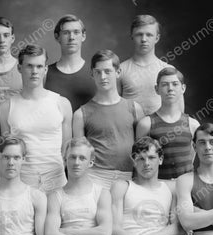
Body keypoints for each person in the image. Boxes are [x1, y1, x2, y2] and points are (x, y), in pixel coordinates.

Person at [136, 66, 200, 235]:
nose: (170, 88)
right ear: (157, 89)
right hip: (158, 189)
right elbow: (139, 159)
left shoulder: (192, 123)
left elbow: (193, 163)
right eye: (165, 85)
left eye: (175, 84)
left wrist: (183, 191)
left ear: (182, 88)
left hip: (183, 190)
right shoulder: (147, 123)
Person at [0, 44, 72, 193]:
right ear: (19, 68)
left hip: (57, 180)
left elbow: (67, 148)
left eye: (39, 66)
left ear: (45, 69)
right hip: (23, 182)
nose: (34, 72)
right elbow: (6, 151)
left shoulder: (62, 103)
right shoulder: (6, 107)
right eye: (29, 66)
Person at [73, 49, 143, 190]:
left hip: (128, 176)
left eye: (107, 71)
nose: (102, 76)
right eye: (98, 72)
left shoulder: (135, 109)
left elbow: (142, 150)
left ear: (118, 72)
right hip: (95, 176)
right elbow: (79, 155)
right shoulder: (81, 113)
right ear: (92, 74)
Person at [119, 15, 183, 116]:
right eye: (139, 34)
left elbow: (179, 111)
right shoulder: (120, 70)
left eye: (149, 35)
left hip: (161, 130)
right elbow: (114, 107)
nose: (144, 39)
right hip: (131, 130)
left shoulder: (168, 70)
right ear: (132, 36)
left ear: (157, 38)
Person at [44, 14, 95, 112]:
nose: (71, 37)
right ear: (57, 37)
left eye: (76, 32)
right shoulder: (45, 73)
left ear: (83, 36)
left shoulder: (96, 72)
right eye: (66, 33)